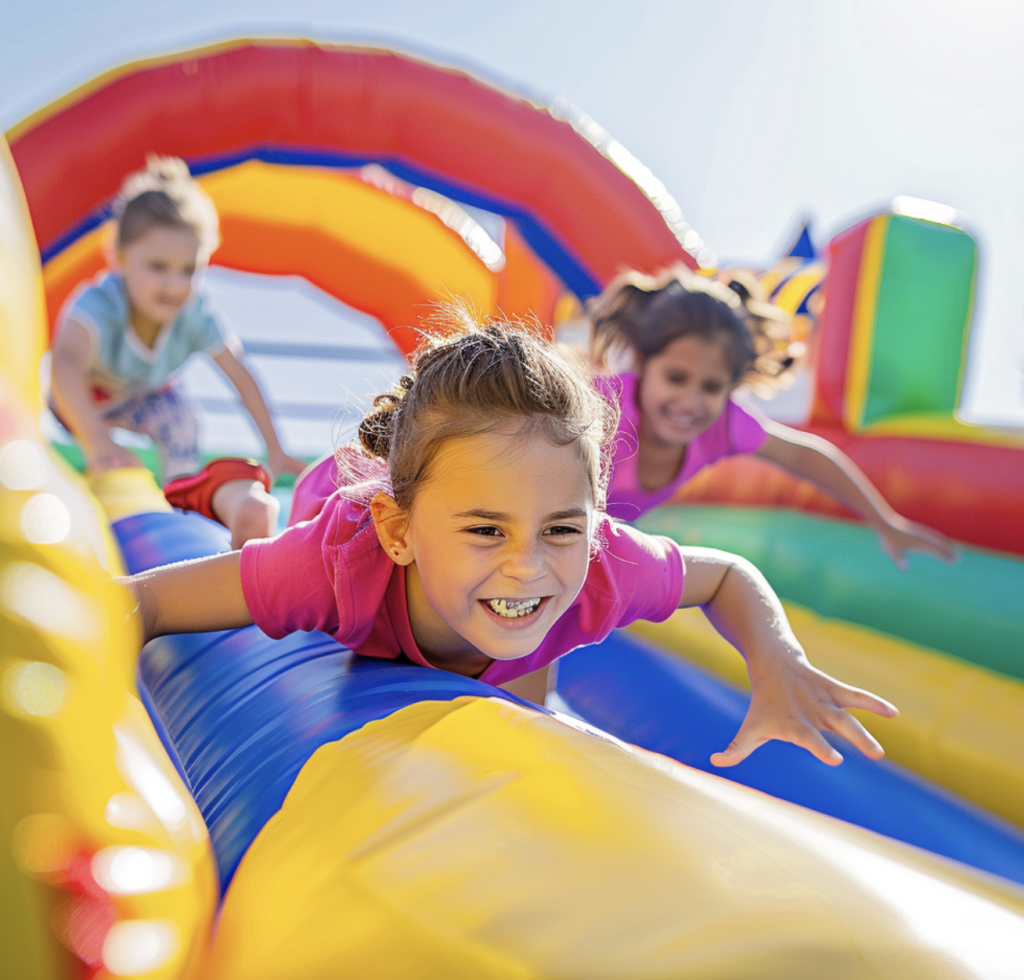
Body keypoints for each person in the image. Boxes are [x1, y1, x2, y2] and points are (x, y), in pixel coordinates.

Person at [123, 307, 897, 768]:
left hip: (446, 529)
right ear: (402, 535)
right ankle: (241, 495)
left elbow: (725, 575)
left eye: (562, 527)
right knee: (261, 529)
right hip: (337, 491)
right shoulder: (334, 563)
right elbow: (145, 601)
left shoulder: (597, 565)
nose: (527, 561)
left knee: (530, 680)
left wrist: (778, 663)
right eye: (486, 530)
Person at [587, 267, 957, 569]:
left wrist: (884, 520)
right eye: (676, 378)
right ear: (642, 363)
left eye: (712, 387)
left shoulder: (724, 426)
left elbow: (804, 456)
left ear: (732, 388)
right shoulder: (602, 407)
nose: (690, 401)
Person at [49, 156, 306, 548]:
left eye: (187, 270)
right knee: (77, 421)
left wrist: (275, 447)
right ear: (119, 259)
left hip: (143, 395)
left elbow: (241, 376)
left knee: (183, 419)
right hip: (81, 399)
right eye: (158, 266)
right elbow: (64, 365)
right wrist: (97, 442)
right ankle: (98, 481)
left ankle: (179, 504)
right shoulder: (99, 305)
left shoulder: (194, 315)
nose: (174, 282)